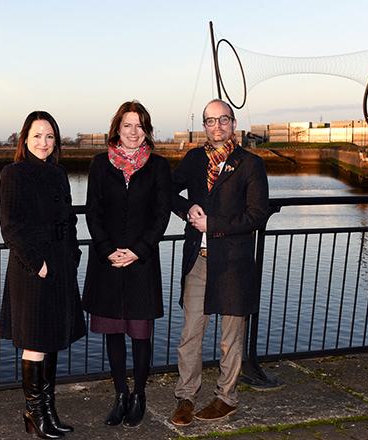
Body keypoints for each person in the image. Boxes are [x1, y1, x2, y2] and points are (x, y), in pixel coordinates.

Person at [169, 99, 269, 426]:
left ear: (233, 123)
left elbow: (257, 215)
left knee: (231, 337)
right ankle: (186, 396)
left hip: (233, 262)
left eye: (223, 119)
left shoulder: (250, 164)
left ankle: (226, 398)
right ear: (204, 126)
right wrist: (186, 209)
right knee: (190, 333)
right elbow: (168, 190)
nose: (217, 126)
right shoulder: (194, 159)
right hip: (198, 261)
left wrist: (213, 224)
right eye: (211, 121)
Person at [81, 101, 171, 428]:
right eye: (127, 125)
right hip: (107, 263)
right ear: (117, 128)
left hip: (141, 262)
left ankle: (139, 395)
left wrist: (137, 250)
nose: (134, 132)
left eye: (140, 126)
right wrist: (108, 250)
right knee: (113, 332)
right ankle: (120, 395)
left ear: (147, 130)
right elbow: (93, 212)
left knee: (140, 334)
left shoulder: (158, 166)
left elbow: (161, 215)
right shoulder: (99, 164)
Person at [0, 111, 87, 439]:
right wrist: (38, 264)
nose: (43, 142)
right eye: (37, 136)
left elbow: (69, 219)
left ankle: (48, 410)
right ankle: (34, 411)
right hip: (32, 270)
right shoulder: (14, 173)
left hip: (60, 265)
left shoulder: (59, 172)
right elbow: (11, 227)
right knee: (35, 342)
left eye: (49, 136)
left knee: (52, 341)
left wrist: (73, 255)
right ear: (24, 139)